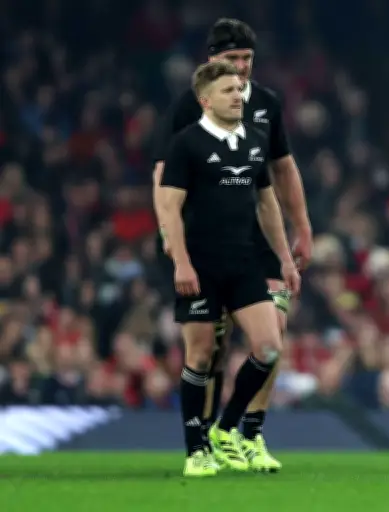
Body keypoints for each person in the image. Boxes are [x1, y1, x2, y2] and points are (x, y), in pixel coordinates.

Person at [152, 18, 313, 472]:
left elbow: (276, 181)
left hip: (250, 246)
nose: (241, 72)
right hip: (201, 245)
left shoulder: (263, 116)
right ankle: (200, 441)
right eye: (232, 61)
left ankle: (244, 431)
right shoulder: (187, 118)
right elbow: (164, 181)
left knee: (272, 338)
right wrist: (173, 244)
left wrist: (297, 237)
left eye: (247, 59)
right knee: (208, 349)